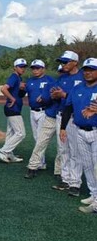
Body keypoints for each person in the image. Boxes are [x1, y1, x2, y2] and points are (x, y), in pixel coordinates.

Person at [60, 58, 97, 214]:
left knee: (96, 166)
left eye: (92, 70)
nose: (88, 73)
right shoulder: (77, 88)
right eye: (86, 70)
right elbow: (68, 108)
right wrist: (63, 127)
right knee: (87, 166)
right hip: (79, 130)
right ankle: (94, 194)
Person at [51, 50, 84, 197]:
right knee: (63, 149)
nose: (63, 64)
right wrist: (54, 94)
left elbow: (82, 97)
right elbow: (54, 95)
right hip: (61, 116)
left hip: (76, 118)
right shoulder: (62, 78)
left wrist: (64, 94)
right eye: (62, 62)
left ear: (75, 62)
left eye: (65, 62)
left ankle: (75, 183)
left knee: (75, 151)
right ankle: (65, 179)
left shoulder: (83, 77)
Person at [23, 60, 58, 178]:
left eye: (38, 68)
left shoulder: (50, 80)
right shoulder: (30, 81)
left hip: (44, 111)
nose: (35, 70)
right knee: (36, 137)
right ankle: (41, 162)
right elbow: (23, 93)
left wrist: (45, 96)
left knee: (40, 138)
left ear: (43, 69)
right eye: (33, 68)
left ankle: (39, 163)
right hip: (32, 111)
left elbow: (55, 95)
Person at [0, 58, 28, 163]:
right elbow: (3, 89)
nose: (23, 69)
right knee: (20, 133)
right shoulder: (14, 77)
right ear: (15, 67)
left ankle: (8, 154)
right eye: (20, 66)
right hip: (12, 108)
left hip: (13, 108)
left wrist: (21, 89)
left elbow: (18, 92)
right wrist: (12, 98)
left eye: (24, 67)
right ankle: (3, 151)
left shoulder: (18, 78)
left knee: (11, 133)